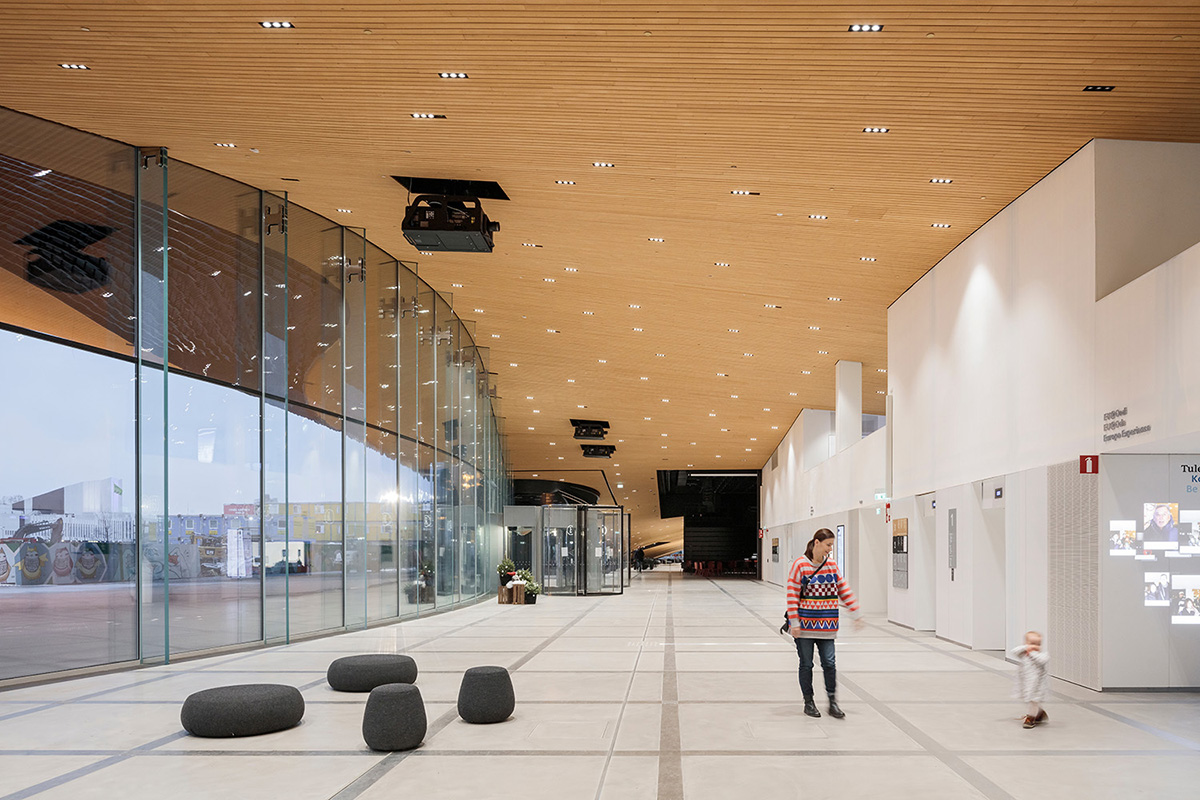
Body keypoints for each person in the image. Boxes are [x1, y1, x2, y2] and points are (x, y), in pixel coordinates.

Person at [785, 528, 861, 719]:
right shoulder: (800, 565)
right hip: (804, 627)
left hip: (827, 626)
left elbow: (843, 589)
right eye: (828, 545)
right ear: (816, 543)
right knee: (806, 665)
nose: (830, 549)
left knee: (829, 663)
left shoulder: (832, 566)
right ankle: (809, 702)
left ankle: (832, 702)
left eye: (832, 546)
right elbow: (792, 596)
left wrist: (855, 611)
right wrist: (794, 623)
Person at [1009, 631, 1050, 728]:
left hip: (1037, 685)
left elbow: (1043, 660)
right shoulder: (1023, 653)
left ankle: (1031, 718)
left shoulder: (1041, 655)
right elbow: (1014, 651)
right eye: (1032, 643)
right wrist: (1026, 648)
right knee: (1027, 699)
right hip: (1025, 683)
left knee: (1033, 701)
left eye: (1037, 644)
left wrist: (1032, 653)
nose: (1035, 646)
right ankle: (1039, 713)